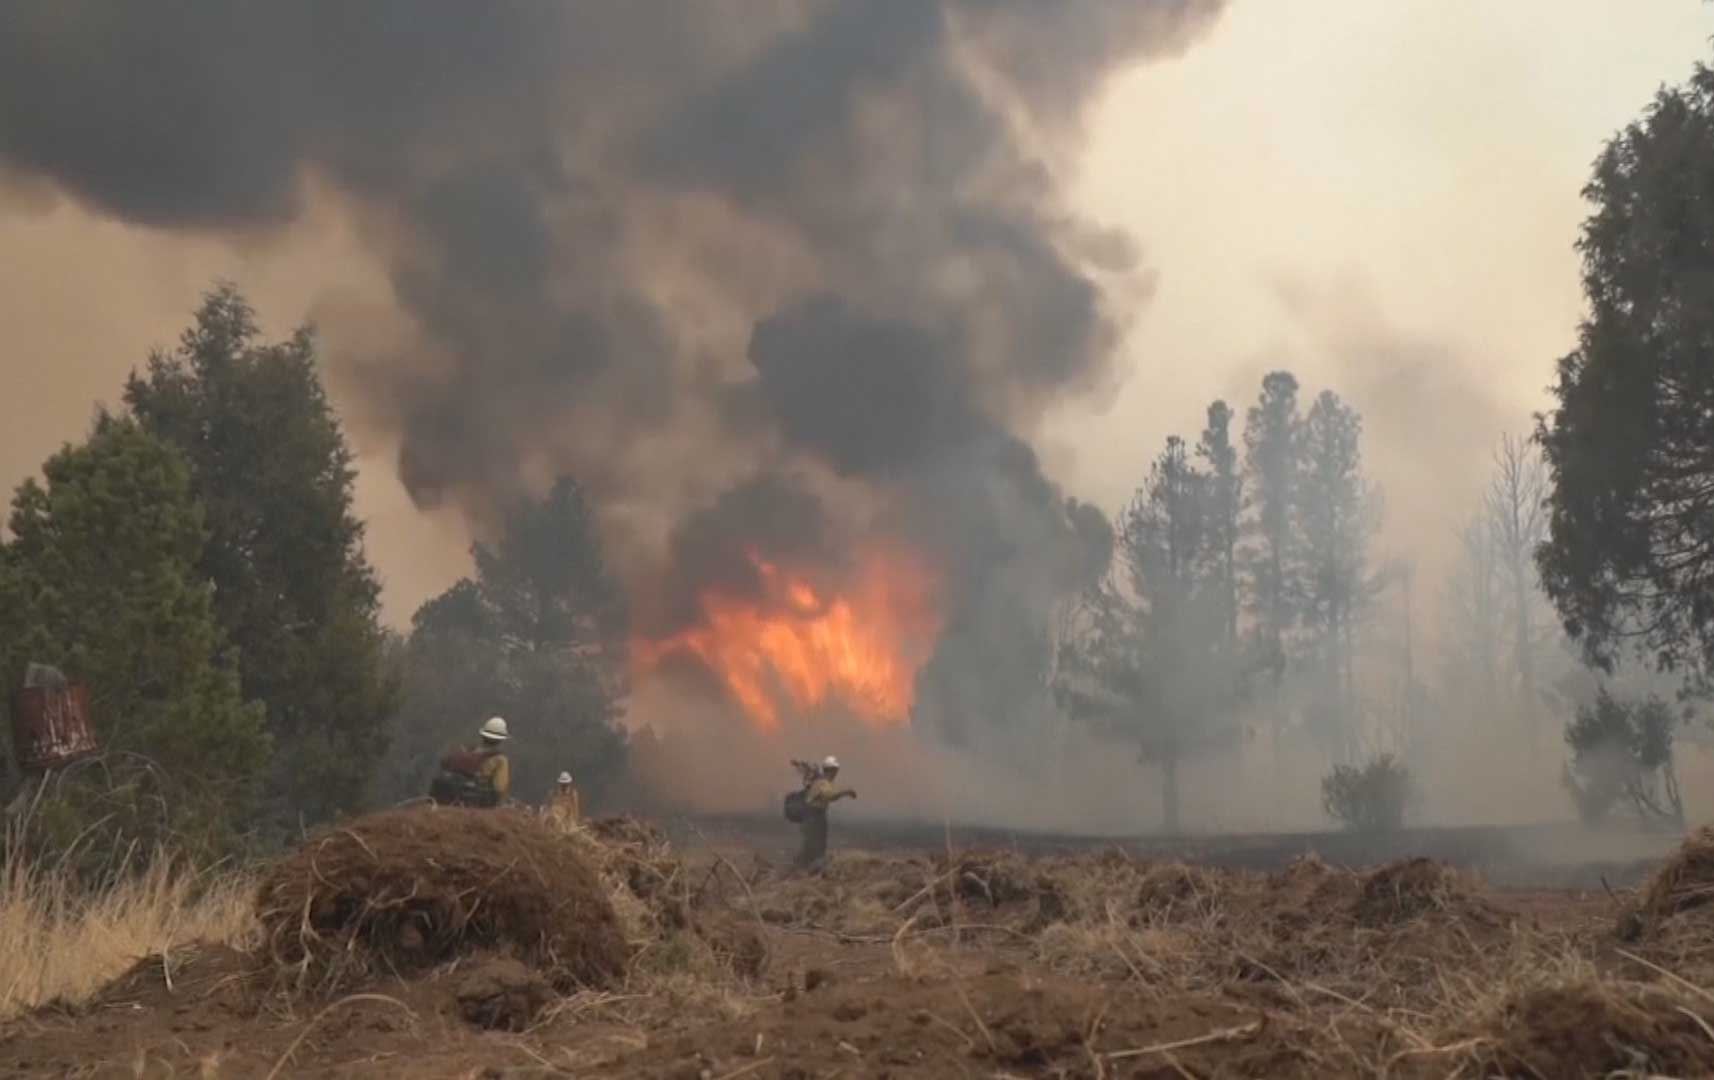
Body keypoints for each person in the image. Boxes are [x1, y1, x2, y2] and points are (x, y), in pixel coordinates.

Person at [429, 716, 512, 807]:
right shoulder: (500, 760)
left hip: (446, 795)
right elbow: (499, 787)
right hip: (475, 801)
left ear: (483, 736)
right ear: (500, 740)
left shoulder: (466, 751)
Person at [796, 754, 856, 869]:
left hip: (812, 816)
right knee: (817, 846)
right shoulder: (822, 783)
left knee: (812, 845)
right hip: (814, 817)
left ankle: (802, 867)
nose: (836, 773)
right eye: (835, 770)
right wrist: (846, 792)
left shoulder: (821, 782)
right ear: (831, 770)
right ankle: (809, 869)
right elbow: (830, 795)